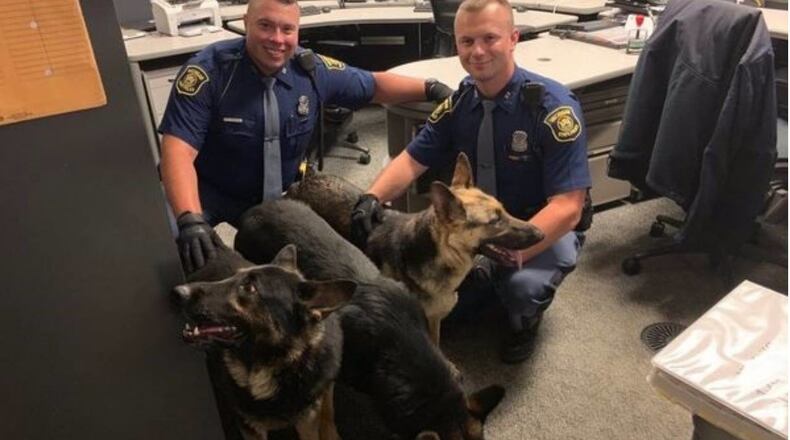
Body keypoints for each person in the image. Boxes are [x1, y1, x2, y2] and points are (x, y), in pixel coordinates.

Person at [350, 0, 591, 364]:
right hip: (474, 225)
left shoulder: (553, 109)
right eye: (466, 41)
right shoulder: (463, 100)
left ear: (513, 39)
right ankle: (485, 280)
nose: (477, 51)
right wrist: (371, 196)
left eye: (489, 38)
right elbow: (413, 159)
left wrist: (512, 254)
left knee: (521, 289)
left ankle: (525, 321)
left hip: (533, 224)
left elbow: (568, 207)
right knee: (434, 304)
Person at [158, 0, 453, 274]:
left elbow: (374, 85)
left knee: (361, 229)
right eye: (265, 26)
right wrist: (189, 218)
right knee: (168, 248)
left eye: (287, 29)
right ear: (246, 23)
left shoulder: (310, 70)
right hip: (210, 189)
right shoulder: (209, 72)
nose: (277, 39)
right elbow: (178, 151)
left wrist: (433, 88)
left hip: (281, 193)